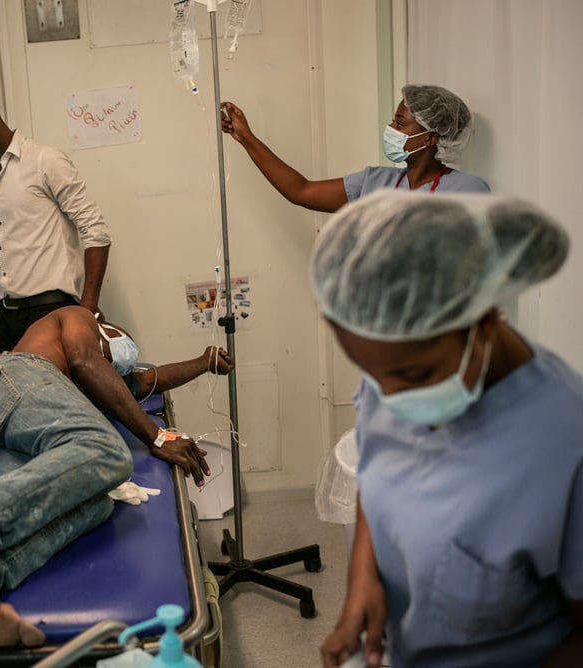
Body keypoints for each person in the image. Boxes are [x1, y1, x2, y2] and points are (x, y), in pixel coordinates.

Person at [311, 190, 583, 667]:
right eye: (374, 376)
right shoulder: (396, 359)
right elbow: (379, 476)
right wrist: (362, 585)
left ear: (484, 320)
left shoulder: (564, 443)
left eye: (415, 377)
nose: (390, 398)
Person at [0, 305, 234, 647]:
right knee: (106, 450)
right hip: (12, 379)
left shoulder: (97, 383)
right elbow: (85, 358)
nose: (117, 358)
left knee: (96, 501)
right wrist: (157, 437)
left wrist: (205, 362)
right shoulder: (77, 318)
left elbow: (148, 379)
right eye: (117, 345)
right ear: (104, 327)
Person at [0, 82, 113, 353]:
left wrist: (88, 307)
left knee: (52, 392)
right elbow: (0, 251)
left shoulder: (45, 162)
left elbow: (96, 231)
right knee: (10, 393)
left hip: (51, 308)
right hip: (6, 315)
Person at [220, 84, 490, 214]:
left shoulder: (467, 191)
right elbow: (299, 191)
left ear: (430, 138)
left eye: (400, 123)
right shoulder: (375, 183)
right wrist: (247, 137)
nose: (391, 128)